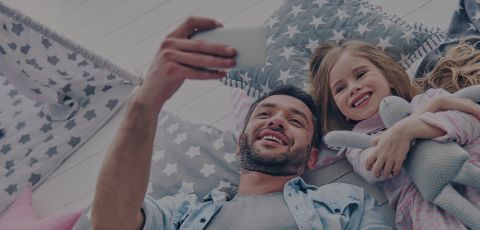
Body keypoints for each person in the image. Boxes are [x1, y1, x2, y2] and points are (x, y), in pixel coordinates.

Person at [91, 17, 393, 230]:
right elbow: (110, 222)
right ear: (239, 144)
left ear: (312, 157)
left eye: (295, 120)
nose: (276, 120)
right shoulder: (182, 212)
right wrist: (146, 102)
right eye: (264, 114)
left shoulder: (345, 204)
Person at [308, 40, 480, 229]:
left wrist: (407, 130)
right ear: (338, 110)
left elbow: (470, 123)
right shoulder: (355, 144)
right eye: (340, 89)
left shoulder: (429, 98)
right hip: (426, 204)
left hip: (470, 164)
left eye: (360, 74)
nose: (353, 88)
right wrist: (421, 120)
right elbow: (377, 167)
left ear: (388, 77)